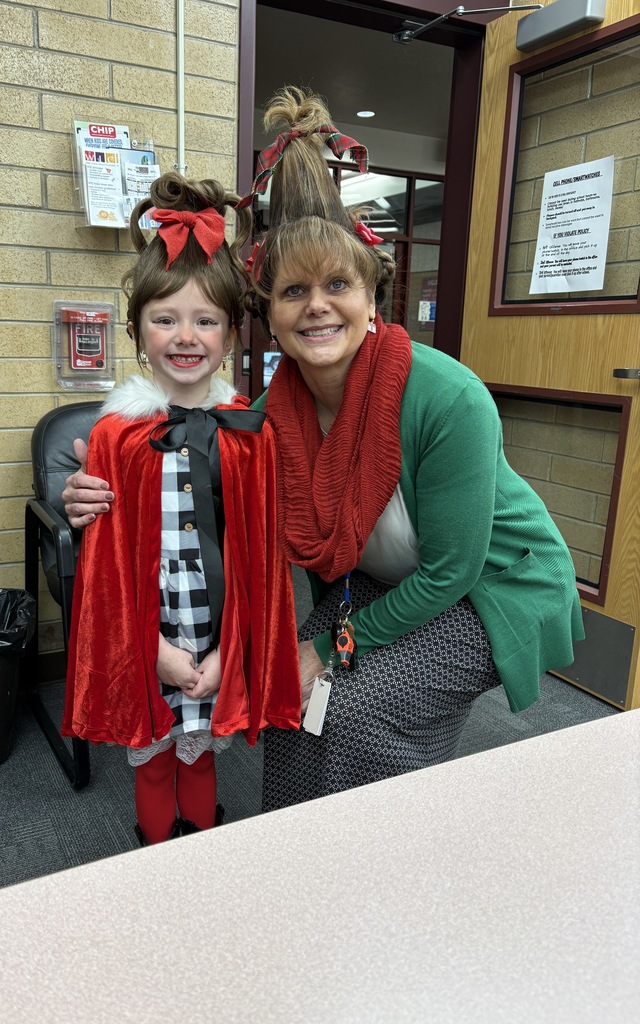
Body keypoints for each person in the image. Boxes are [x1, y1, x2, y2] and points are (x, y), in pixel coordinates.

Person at [63, 88, 584, 813]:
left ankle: (372, 863)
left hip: (488, 590)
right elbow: (209, 500)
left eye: (338, 284)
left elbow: (453, 569)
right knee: (285, 685)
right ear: (268, 316)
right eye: (292, 290)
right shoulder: (275, 412)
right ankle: (294, 841)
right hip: (370, 580)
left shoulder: (448, 397)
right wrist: (92, 496)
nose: (317, 305)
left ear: (373, 298)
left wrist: (333, 649)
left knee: (354, 710)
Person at [62, 171, 301, 842]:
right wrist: (151, 650)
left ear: (230, 334)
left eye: (206, 320)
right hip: (151, 634)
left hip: (216, 633)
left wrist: (232, 652)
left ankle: (202, 866)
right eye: (165, 318)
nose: (186, 335)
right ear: (137, 331)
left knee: (199, 760)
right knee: (155, 761)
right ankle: (157, 862)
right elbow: (105, 568)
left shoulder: (247, 432)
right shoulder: (116, 435)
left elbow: (260, 557)